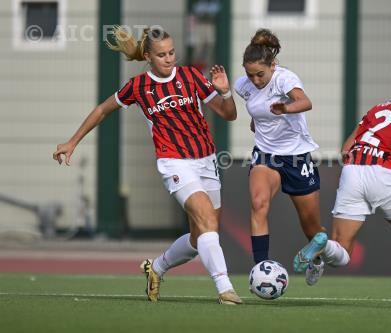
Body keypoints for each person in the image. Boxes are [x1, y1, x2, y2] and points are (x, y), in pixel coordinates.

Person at [52, 26, 242, 305]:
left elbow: (229, 115)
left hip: (206, 160)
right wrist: (72, 142)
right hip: (173, 162)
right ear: (149, 57)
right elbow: (103, 109)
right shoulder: (138, 86)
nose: (169, 59)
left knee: (200, 235)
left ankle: (157, 268)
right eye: (162, 55)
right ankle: (225, 289)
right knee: (206, 221)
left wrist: (225, 93)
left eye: (172, 52)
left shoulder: (191, 77)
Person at [310, 66, 391, 308]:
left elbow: (346, 149)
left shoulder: (377, 108)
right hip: (385, 172)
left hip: (353, 171)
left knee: (341, 252)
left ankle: (322, 244)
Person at [233, 29, 327, 283]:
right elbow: (256, 110)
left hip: (296, 157)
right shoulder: (243, 86)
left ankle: (316, 258)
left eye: (260, 74)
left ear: (273, 66)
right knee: (258, 203)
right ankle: (261, 270)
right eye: (249, 74)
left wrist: (284, 108)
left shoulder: (284, 78)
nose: (254, 80)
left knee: (311, 227)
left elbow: (305, 102)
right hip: (266, 155)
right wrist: (257, 121)